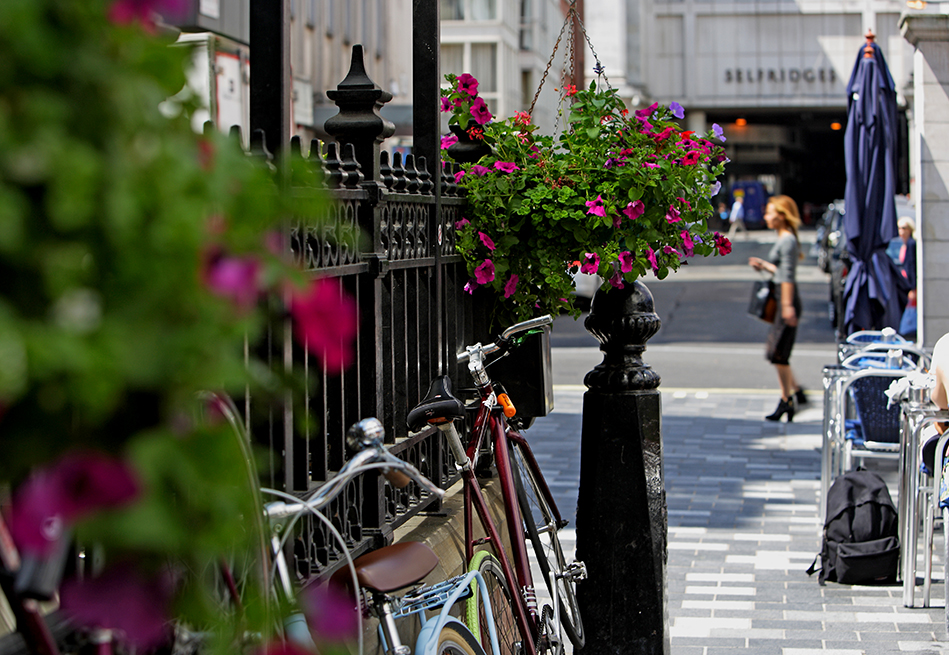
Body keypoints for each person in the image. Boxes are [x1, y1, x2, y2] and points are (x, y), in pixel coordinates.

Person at [748, 195, 806, 421]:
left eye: (770, 212)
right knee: (778, 352)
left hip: (786, 299)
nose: (766, 217)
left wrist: (787, 306)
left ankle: (787, 400)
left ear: (782, 216)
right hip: (785, 299)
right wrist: (764, 266)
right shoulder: (785, 238)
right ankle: (790, 397)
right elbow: (782, 271)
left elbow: (788, 277)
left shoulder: (787, 240)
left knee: (778, 353)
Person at [897, 216, 917, 339]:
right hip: (905, 285)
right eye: (899, 228)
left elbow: (912, 267)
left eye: (904, 228)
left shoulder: (911, 243)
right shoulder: (904, 244)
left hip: (910, 286)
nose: (901, 231)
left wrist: (913, 288)